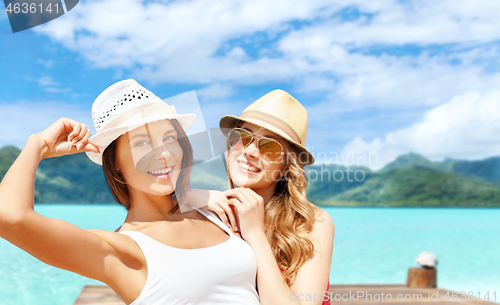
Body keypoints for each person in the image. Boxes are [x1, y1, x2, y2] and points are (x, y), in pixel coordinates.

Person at [0, 79, 260, 305]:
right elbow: (9, 218)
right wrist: (38, 146)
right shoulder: (120, 250)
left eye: (170, 138)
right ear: (115, 162)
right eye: (141, 143)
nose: (163, 153)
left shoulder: (214, 211)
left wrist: (194, 194)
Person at [195, 89, 335, 305]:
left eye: (269, 146)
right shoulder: (209, 211)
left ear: (287, 167)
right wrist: (188, 195)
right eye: (242, 137)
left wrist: (255, 234)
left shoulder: (312, 223)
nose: (250, 151)